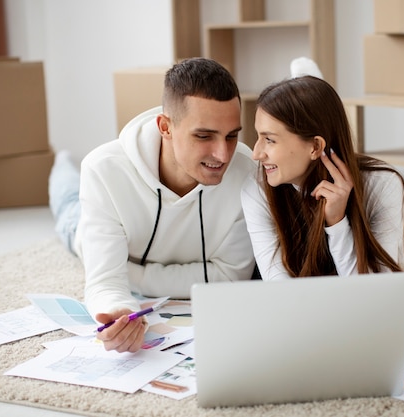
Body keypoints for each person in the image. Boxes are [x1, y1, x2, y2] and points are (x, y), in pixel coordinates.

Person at [49, 57, 257, 352]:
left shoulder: (247, 173)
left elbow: (231, 277)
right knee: (68, 206)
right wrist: (119, 310)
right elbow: (105, 282)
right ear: (165, 127)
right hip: (83, 224)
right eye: (203, 136)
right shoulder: (103, 170)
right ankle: (61, 162)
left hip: (130, 254)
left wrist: (132, 274)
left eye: (232, 135)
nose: (223, 155)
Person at [240, 64, 404, 281]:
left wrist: (337, 223)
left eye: (269, 140)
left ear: (315, 147)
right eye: (258, 137)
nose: (256, 154)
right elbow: (279, 289)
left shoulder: (382, 183)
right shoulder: (256, 187)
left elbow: (373, 292)